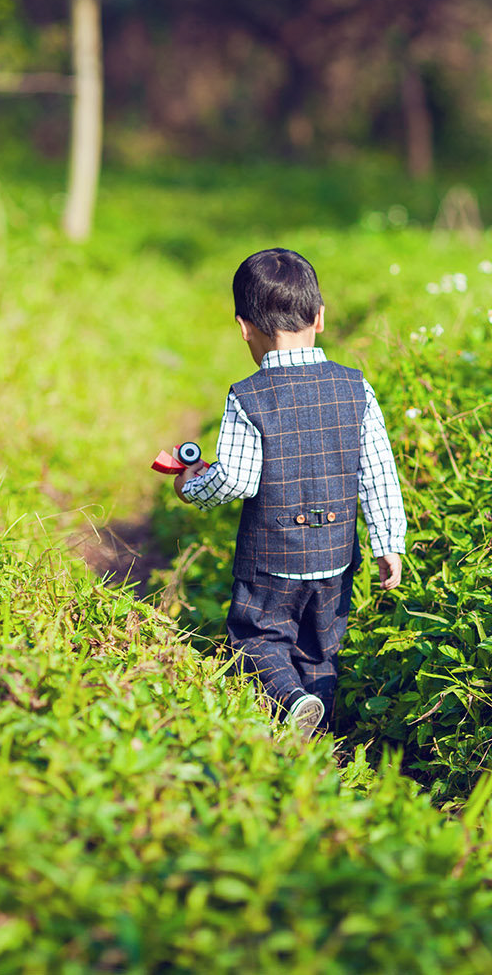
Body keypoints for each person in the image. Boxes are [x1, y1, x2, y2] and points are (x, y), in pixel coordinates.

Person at [173, 247, 407, 738]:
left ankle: (289, 701)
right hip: (337, 556)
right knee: (321, 647)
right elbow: (378, 470)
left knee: (257, 638)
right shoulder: (355, 388)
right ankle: (318, 733)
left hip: (271, 559)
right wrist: (389, 543)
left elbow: (236, 478)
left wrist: (194, 487)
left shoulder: (247, 395)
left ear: (243, 326)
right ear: (320, 317)